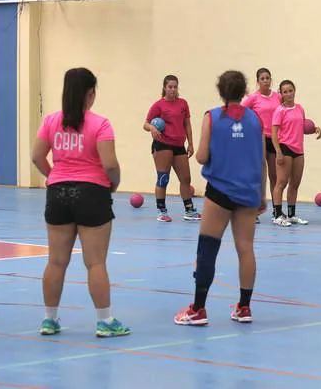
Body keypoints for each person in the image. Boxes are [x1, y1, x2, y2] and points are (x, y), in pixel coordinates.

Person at [31, 67, 131, 338]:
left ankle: (49, 320)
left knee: (56, 261)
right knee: (95, 262)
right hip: (92, 193)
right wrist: (114, 184)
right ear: (90, 94)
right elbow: (109, 164)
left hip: (58, 194)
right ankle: (105, 321)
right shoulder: (100, 124)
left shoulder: (51, 121)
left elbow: (37, 156)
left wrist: (55, 177)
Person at [174, 70, 266, 325]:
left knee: (208, 249)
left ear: (221, 91)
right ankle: (244, 308)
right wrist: (262, 194)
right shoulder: (256, 119)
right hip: (248, 192)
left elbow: (201, 156)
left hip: (220, 192)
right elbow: (261, 161)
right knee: (246, 249)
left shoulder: (212, 117)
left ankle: (198, 309)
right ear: (245, 90)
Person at [143, 75, 199, 222]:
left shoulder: (183, 104)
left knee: (186, 178)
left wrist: (191, 143)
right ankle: (161, 211)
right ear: (164, 88)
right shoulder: (158, 105)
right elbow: (146, 124)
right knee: (163, 178)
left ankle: (189, 210)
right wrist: (152, 129)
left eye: (175, 87)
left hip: (179, 145)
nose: (173, 90)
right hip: (163, 144)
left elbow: (187, 124)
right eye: (170, 87)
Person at [271, 80, 321, 226]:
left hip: (299, 150)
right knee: (281, 183)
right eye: (285, 91)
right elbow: (274, 134)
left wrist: (314, 129)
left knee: (295, 184)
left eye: (290, 90)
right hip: (285, 148)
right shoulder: (279, 111)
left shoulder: (300, 108)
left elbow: (302, 126)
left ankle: (291, 214)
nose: (288, 94)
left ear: (294, 91)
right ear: (281, 94)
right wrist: (278, 152)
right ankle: (277, 215)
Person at [242, 68, 282, 223]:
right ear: (258, 81)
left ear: (271, 80)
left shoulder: (278, 97)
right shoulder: (253, 98)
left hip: (275, 139)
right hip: (259, 139)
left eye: (268, 78)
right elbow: (240, 112)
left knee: (274, 175)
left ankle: (276, 210)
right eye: (262, 78)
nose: (265, 80)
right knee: (258, 175)